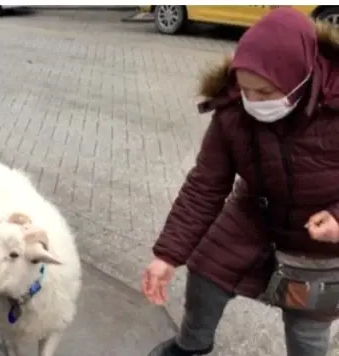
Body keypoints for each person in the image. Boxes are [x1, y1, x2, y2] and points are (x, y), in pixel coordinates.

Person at [142, 8, 339, 356]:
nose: (253, 102)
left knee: (307, 324)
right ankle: (190, 346)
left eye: (265, 91)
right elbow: (205, 185)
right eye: (245, 88)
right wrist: (167, 256)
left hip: (319, 233)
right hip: (254, 214)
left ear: (300, 76)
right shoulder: (233, 109)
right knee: (206, 272)